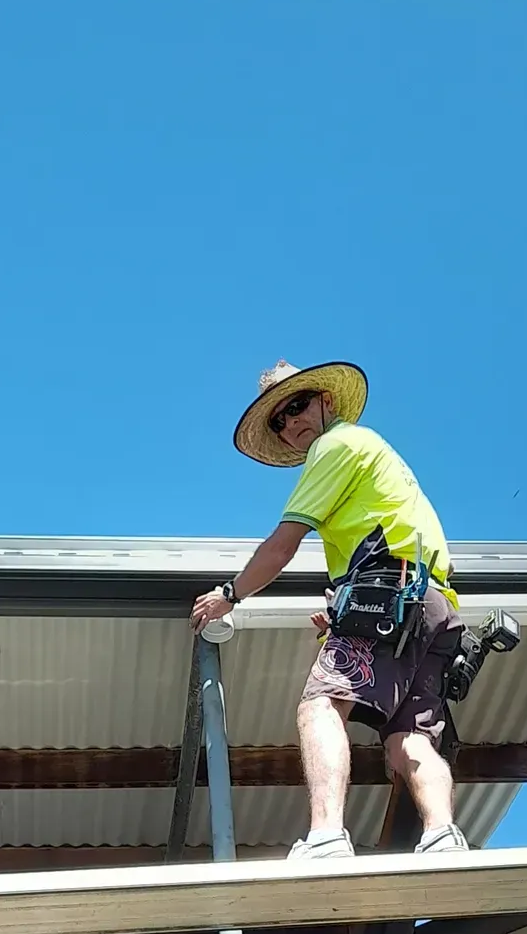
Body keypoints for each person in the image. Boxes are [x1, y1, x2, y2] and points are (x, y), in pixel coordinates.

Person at [191, 359, 469, 862]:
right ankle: (442, 834)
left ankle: (325, 836)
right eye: (279, 420)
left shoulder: (334, 445)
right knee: (405, 739)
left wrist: (229, 595)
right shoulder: (373, 452)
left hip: (387, 591)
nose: (291, 423)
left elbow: (283, 545)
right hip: (434, 607)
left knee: (319, 705)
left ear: (327, 401)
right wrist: (343, 610)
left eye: (297, 405)